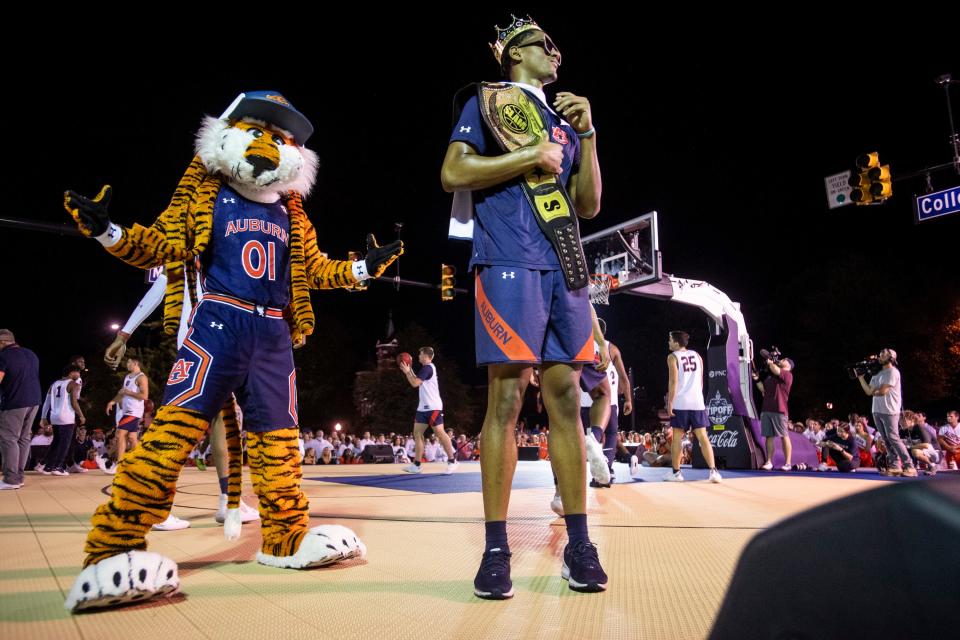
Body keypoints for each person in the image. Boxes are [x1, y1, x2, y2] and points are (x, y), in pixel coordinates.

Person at [61, 90, 400, 611]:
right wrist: (108, 231)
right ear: (224, 136)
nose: (268, 145)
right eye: (255, 130)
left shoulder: (292, 212)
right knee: (173, 433)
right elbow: (160, 245)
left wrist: (361, 268)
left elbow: (313, 270)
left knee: (281, 444)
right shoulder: (204, 194)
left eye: (280, 137)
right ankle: (112, 551)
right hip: (218, 322)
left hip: (273, 335)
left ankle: (284, 538)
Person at [441, 14, 606, 598]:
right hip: (509, 258)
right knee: (506, 398)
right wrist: (527, 157)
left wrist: (586, 137)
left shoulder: (563, 123)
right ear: (513, 54)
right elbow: (453, 171)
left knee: (567, 397)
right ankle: (494, 550)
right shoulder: (488, 102)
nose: (556, 52)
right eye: (544, 43)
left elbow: (587, 207)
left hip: (566, 265)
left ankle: (580, 542)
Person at [665, 331, 722, 483]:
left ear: (677, 343)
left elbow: (673, 382)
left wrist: (670, 402)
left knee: (677, 437)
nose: (669, 343)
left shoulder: (672, 357)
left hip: (681, 402)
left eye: (670, 340)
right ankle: (714, 472)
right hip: (697, 401)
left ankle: (677, 473)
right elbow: (701, 381)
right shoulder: (697, 356)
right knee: (703, 437)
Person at [398, 347, 458, 474]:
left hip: (433, 407)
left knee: (440, 433)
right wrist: (409, 371)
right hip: (423, 408)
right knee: (417, 434)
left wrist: (407, 372)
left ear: (426, 355)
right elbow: (416, 380)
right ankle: (417, 465)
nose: (418, 356)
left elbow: (414, 383)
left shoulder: (428, 368)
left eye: (420, 354)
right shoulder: (425, 369)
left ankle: (452, 461)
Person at [857, 348, 916, 477]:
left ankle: (909, 466)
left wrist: (874, 391)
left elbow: (883, 391)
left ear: (891, 358)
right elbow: (868, 391)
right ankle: (895, 466)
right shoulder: (877, 374)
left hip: (890, 410)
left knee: (893, 438)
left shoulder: (893, 372)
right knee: (885, 439)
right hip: (877, 410)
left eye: (883, 354)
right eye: (880, 354)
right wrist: (861, 378)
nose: (880, 356)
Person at [0, 329, 41, 490]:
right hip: (34, 401)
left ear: (2, 342)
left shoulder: (3, 356)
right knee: (23, 439)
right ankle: (19, 476)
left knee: (9, 438)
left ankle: (10, 480)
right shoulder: (31, 354)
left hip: (15, 402)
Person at [39, 365, 84, 476]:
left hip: (54, 416)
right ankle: (58, 467)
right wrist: (81, 415)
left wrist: (43, 417)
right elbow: (74, 403)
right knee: (65, 443)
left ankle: (48, 467)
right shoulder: (72, 384)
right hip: (66, 416)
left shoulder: (54, 384)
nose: (78, 375)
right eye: (77, 372)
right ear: (71, 372)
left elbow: (47, 402)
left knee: (56, 441)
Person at [753, 353, 795, 471]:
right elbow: (763, 390)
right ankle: (769, 462)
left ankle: (788, 463)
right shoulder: (771, 377)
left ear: (789, 365)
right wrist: (756, 380)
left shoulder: (787, 375)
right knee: (769, 437)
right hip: (766, 409)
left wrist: (770, 360)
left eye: (785, 359)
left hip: (780, 409)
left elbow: (775, 369)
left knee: (784, 436)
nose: (782, 360)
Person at [106, 357, 148, 466]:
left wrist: (129, 392)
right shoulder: (128, 377)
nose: (127, 364)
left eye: (129, 362)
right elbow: (122, 393)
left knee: (120, 434)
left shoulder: (141, 377)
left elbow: (144, 396)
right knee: (132, 438)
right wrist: (112, 402)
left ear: (135, 363)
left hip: (133, 411)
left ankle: (120, 464)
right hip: (126, 411)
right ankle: (142, 461)